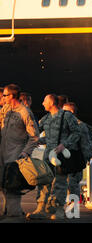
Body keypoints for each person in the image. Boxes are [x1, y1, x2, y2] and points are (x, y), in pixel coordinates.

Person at [27, 94, 81, 220]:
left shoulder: (66, 116)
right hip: (47, 155)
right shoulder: (46, 118)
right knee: (43, 181)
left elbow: (76, 133)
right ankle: (40, 208)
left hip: (60, 155)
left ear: (51, 102)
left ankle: (59, 209)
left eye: (44, 101)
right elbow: (38, 132)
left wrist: (64, 144)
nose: (42, 103)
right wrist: (38, 140)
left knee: (60, 183)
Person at [0, 84, 39, 221]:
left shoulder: (25, 112)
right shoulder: (6, 110)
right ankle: (8, 212)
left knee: (12, 187)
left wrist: (24, 153)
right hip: (3, 152)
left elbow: (34, 137)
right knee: (3, 185)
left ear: (11, 96)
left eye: (4, 95)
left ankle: (14, 216)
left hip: (15, 154)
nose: (2, 97)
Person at [62, 102, 92, 204]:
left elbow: (86, 145)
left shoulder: (81, 126)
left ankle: (73, 212)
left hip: (75, 160)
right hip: (64, 160)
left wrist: (84, 160)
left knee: (72, 184)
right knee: (62, 185)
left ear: (71, 112)